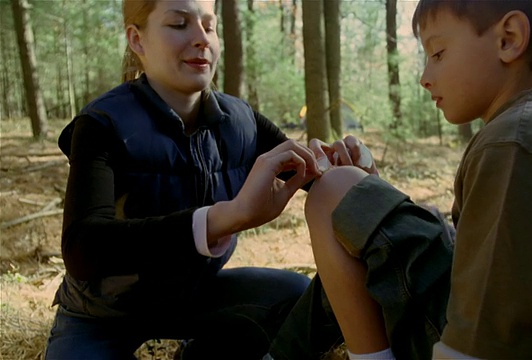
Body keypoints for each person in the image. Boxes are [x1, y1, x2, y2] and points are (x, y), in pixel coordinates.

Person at [274, 0, 532, 359]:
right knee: (360, 204)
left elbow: (488, 330)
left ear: (508, 39)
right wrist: (373, 191)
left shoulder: (517, 142)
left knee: (332, 193)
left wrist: (355, 194)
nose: (424, 77)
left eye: (438, 53)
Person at [45, 0, 329, 359]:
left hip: (198, 296)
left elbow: (312, 174)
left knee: (294, 297)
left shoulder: (240, 121)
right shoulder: (102, 125)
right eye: (179, 24)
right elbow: (83, 249)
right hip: (103, 314)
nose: (201, 39)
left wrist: (346, 170)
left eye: (209, 27)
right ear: (137, 40)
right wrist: (221, 218)